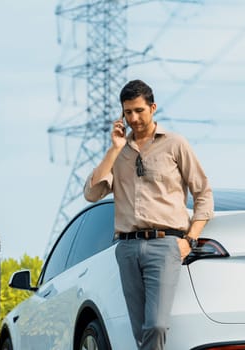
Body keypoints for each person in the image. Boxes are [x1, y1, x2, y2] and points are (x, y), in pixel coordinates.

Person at [83, 79, 214, 350]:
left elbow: (203, 193)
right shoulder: (118, 154)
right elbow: (92, 194)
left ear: (153, 108)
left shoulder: (175, 144)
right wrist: (115, 148)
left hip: (165, 245)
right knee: (140, 331)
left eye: (139, 110)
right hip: (127, 248)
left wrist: (190, 240)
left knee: (155, 324)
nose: (134, 118)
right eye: (128, 112)